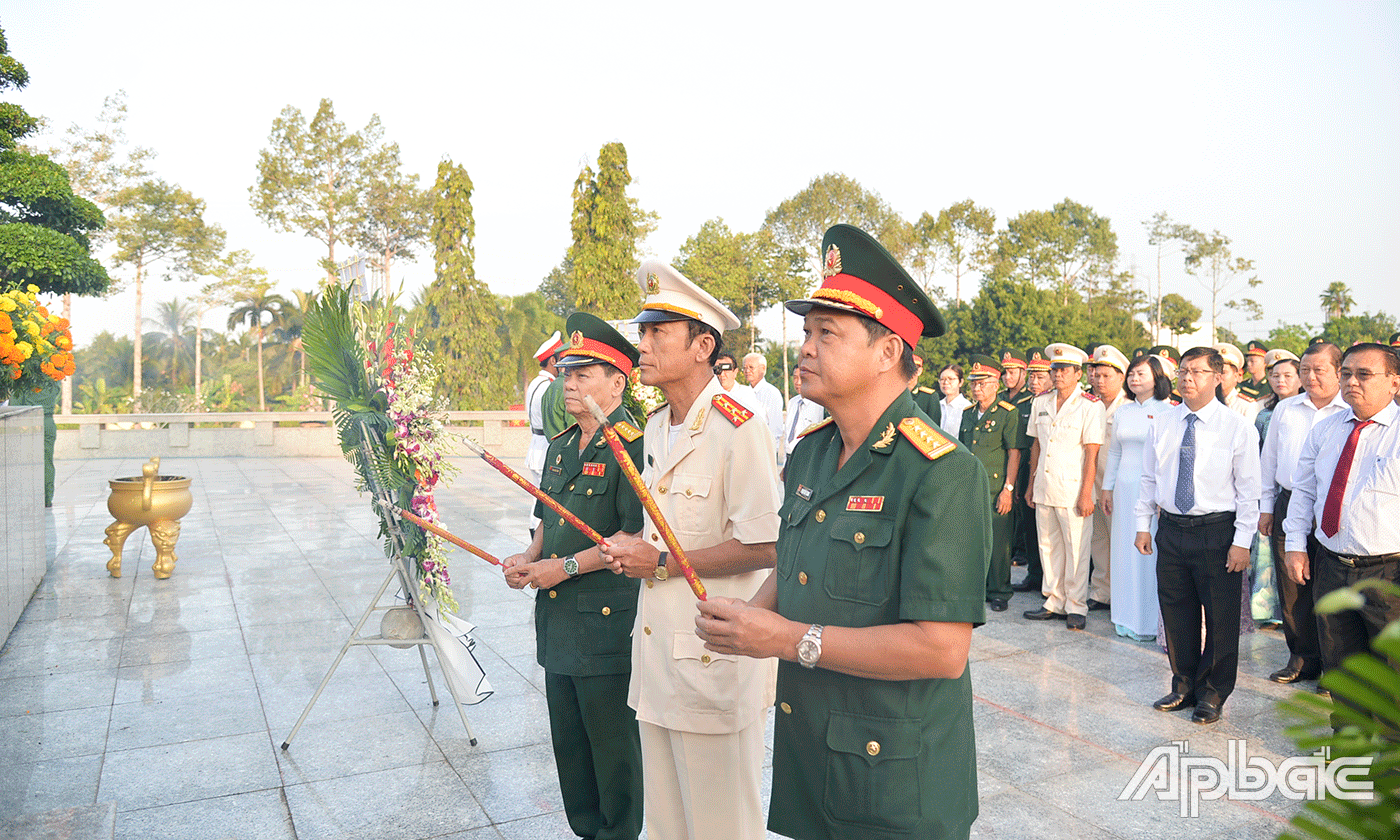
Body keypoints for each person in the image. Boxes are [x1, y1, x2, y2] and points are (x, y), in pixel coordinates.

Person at [694, 223, 990, 840]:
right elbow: (797, 559)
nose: (806, 347)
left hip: (895, 783)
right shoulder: (811, 453)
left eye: (827, 333)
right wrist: (746, 619)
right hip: (813, 764)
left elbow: (942, 649)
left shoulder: (941, 471)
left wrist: (785, 638)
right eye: (806, 331)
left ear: (887, 352)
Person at [601, 259, 781, 840]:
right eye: (643, 331)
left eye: (657, 333)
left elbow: (765, 542)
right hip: (658, 658)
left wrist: (661, 562)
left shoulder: (739, 425)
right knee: (668, 827)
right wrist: (637, 548)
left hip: (712, 656)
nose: (642, 344)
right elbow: (669, 529)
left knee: (722, 827)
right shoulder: (657, 425)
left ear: (703, 345)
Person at [501, 313, 645, 840]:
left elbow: (634, 538)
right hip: (559, 621)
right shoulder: (562, 445)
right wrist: (528, 556)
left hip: (605, 623)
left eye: (584, 374)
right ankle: (587, 830)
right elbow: (549, 519)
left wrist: (557, 569)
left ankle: (620, 833)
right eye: (566, 374)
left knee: (612, 749)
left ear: (617, 382)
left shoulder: (633, 445)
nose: (570, 385)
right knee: (571, 747)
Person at [1137, 347, 1261, 725]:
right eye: (1184, 372)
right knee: (1176, 611)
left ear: (1218, 376)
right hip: (1172, 529)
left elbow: (1249, 490)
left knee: (1221, 618)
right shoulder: (1163, 422)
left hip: (1218, 531)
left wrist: (1242, 540)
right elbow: (1148, 478)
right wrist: (1144, 524)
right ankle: (1183, 684)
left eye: (1198, 372)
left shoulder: (1236, 425)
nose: (1188, 378)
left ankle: (1213, 692)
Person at [1282, 343, 1400, 707]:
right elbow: (1303, 489)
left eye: (1364, 374)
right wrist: (1295, 545)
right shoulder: (1327, 428)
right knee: (1340, 665)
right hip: (1331, 565)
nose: (1352, 382)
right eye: (1346, 373)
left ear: (1394, 383)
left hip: (1388, 572)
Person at [1258, 342, 1343, 682]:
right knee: (1291, 585)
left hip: (1332, 505)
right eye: (1304, 370)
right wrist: (1266, 507)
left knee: (1330, 587)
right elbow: (1269, 461)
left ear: (1339, 371)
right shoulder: (1287, 409)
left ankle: (1335, 667)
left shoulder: (1347, 411)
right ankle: (1302, 657)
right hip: (1289, 501)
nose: (1309, 377)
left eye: (1318, 370)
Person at [1023, 343, 1105, 630]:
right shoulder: (1040, 402)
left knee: (1077, 550)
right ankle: (1053, 601)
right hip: (1045, 487)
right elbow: (1036, 445)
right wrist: (1031, 484)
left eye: (1063, 370)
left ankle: (1076, 606)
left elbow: (1092, 452)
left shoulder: (1090, 406)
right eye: (1054, 369)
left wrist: (1086, 493)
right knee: (1048, 547)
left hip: (1073, 490)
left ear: (1078, 373)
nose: (1057, 375)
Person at [1103, 352, 1174, 640]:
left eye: (1140, 374)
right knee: (1122, 552)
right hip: (1123, 488)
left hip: (1152, 494)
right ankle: (1124, 617)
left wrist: (1162, 494)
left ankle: (1147, 622)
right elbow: (1115, 452)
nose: (1134, 378)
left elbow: (1167, 458)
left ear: (1158, 378)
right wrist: (1107, 488)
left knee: (1147, 556)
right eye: (1131, 374)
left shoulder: (1169, 411)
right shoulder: (1123, 411)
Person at [960, 354, 1022, 612]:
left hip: (996, 487)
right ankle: (978, 588)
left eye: (983, 383)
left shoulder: (1008, 413)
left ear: (996, 384)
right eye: (974, 383)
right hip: (971, 486)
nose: (977, 388)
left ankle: (999, 591)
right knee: (973, 539)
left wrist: (1008, 489)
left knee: (998, 542)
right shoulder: (968, 413)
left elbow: (1014, 453)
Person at [1248, 348, 1301, 627]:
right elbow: (1260, 459)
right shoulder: (1264, 414)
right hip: (1272, 494)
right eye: (1275, 375)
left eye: (1288, 375)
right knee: (1270, 555)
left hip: (1301, 494)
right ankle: (1269, 610)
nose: (1280, 380)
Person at [1087, 344, 1129, 611]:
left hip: (1119, 485)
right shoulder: (1088, 405)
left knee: (1121, 539)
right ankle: (1101, 591)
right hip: (1092, 481)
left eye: (1107, 376)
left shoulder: (1128, 408)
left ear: (1121, 377)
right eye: (1097, 375)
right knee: (1098, 537)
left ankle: (1123, 594)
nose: (1100, 382)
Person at [1011, 348, 1052, 595]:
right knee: (1029, 525)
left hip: (1049, 471)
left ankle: (1050, 578)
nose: (1034, 382)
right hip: (1027, 470)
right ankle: (1034, 574)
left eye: (1040, 377)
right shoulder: (1023, 404)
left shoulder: (1058, 403)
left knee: (1050, 531)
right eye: (1032, 377)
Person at [742, 352, 785, 460]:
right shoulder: (743, 392)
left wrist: (769, 455)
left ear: (763, 369)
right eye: (745, 368)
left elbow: (775, 430)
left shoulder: (771, 393)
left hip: (764, 453)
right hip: (745, 450)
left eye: (751, 367)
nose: (747, 371)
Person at [1214, 343, 1262, 423]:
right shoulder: (1204, 402)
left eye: (1223, 372)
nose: (1218, 377)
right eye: (1215, 372)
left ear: (1236, 376)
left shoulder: (1247, 406)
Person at [784, 368, 825, 455]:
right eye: (795, 377)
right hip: (789, 457)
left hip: (806, 457)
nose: (798, 382)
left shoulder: (819, 405)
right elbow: (787, 434)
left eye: (802, 378)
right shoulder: (792, 402)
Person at [714, 352, 765, 420]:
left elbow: (758, 422)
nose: (722, 374)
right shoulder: (709, 394)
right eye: (718, 370)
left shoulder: (747, 395)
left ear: (735, 372)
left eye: (726, 370)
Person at [937, 363, 973, 436]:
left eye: (951, 379)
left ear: (961, 382)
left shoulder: (967, 408)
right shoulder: (937, 405)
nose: (946, 382)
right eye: (942, 379)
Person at [909, 354, 942, 423]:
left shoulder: (929, 397)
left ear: (919, 371)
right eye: (906, 368)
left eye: (913, 369)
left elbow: (934, 428)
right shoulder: (893, 394)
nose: (909, 372)